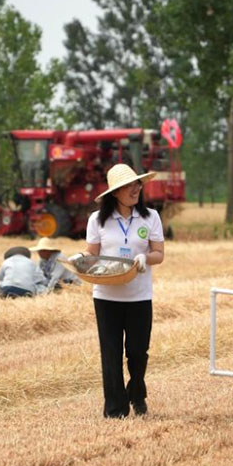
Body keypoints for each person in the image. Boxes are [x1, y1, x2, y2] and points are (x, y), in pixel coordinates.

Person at [81, 163, 164, 418]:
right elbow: (91, 253)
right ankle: (115, 409)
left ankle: (137, 392)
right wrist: (80, 260)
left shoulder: (151, 217)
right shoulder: (97, 220)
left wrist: (144, 259)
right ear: (115, 193)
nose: (135, 189)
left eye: (137, 184)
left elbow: (159, 254)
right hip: (106, 296)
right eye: (129, 186)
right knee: (111, 352)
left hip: (139, 295)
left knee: (138, 352)